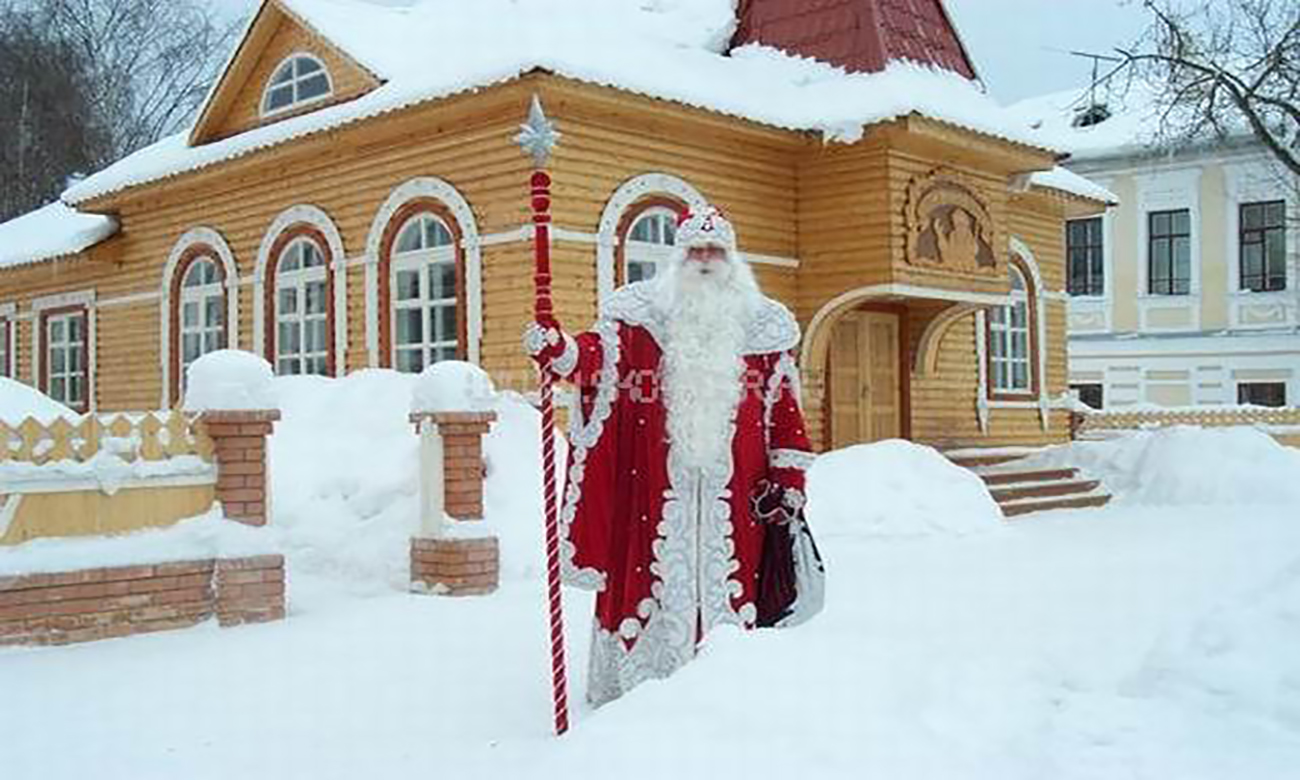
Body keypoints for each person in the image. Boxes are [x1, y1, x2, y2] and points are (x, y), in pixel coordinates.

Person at [525, 206, 824, 707]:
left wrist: (789, 485)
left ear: (732, 260)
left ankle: (731, 689)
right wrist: (558, 349)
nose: (705, 260)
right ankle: (649, 695)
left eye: (715, 251)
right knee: (654, 579)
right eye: (695, 251)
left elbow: (785, 419)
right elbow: (592, 359)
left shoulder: (766, 332)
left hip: (740, 509)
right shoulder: (640, 319)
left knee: (734, 593)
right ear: (678, 258)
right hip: (655, 498)